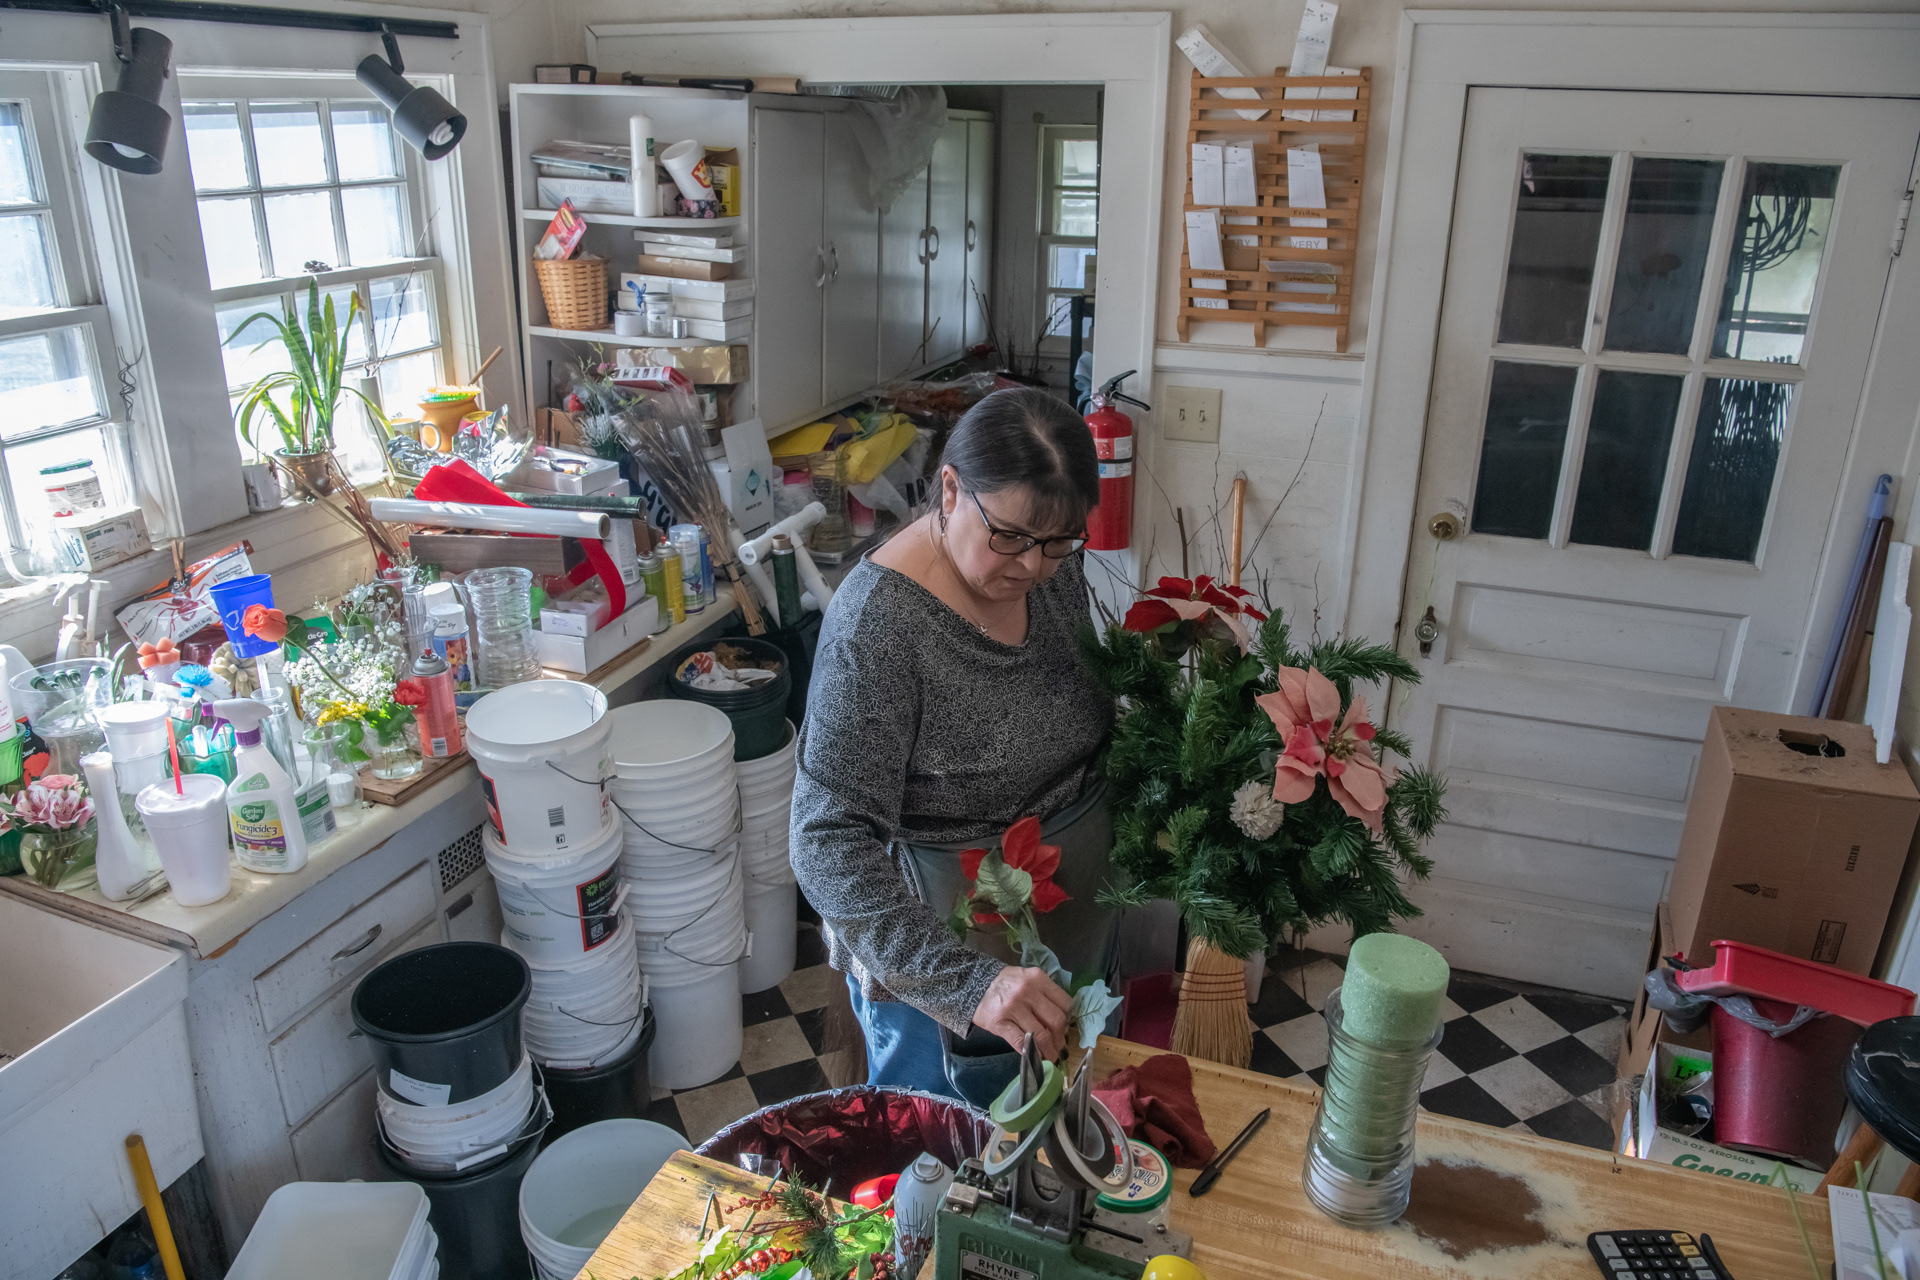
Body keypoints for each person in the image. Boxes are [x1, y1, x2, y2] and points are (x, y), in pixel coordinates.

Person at [791, 387, 1116, 1103]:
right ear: (949, 488)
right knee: (944, 1171)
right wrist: (970, 983)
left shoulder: (1048, 573)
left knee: (1053, 1153)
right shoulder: (879, 627)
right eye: (1010, 537)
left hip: (1069, 934)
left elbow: (1084, 709)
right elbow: (825, 840)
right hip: (947, 975)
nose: (1034, 566)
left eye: (1059, 542)